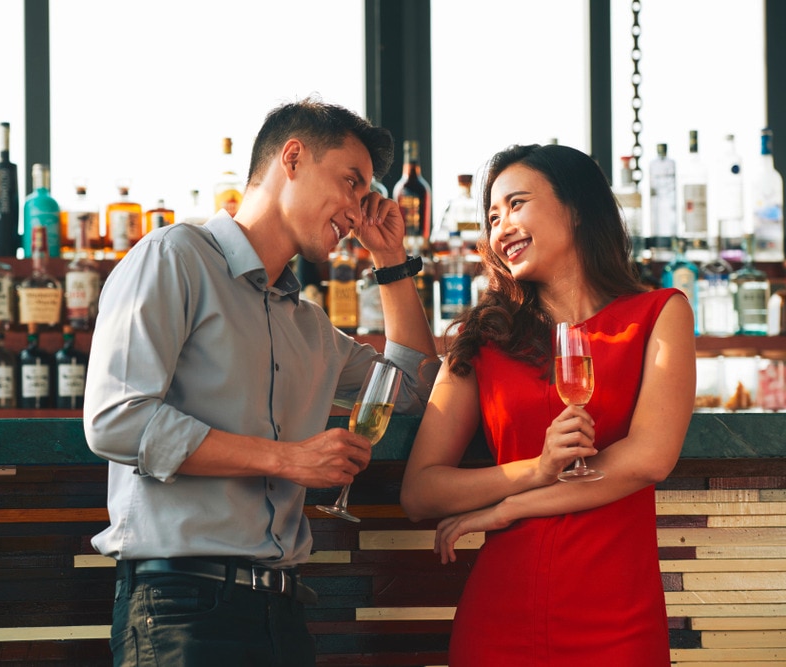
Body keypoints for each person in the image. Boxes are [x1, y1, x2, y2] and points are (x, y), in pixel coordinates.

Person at [83, 97, 439, 667]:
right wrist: (286, 459)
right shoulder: (175, 258)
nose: (358, 208)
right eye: (351, 182)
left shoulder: (311, 327)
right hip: (180, 610)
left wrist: (391, 260)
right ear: (292, 158)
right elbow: (116, 420)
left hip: (283, 615)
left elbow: (413, 389)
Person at [400, 143, 695, 666]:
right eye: (493, 216)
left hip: (618, 619)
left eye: (516, 204)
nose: (501, 227)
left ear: (577, 208)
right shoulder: (481, 338)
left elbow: (649, 458)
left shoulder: (659, 313)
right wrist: (535, 470)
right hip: (501, 615)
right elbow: (421, 492)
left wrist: (509, 508)